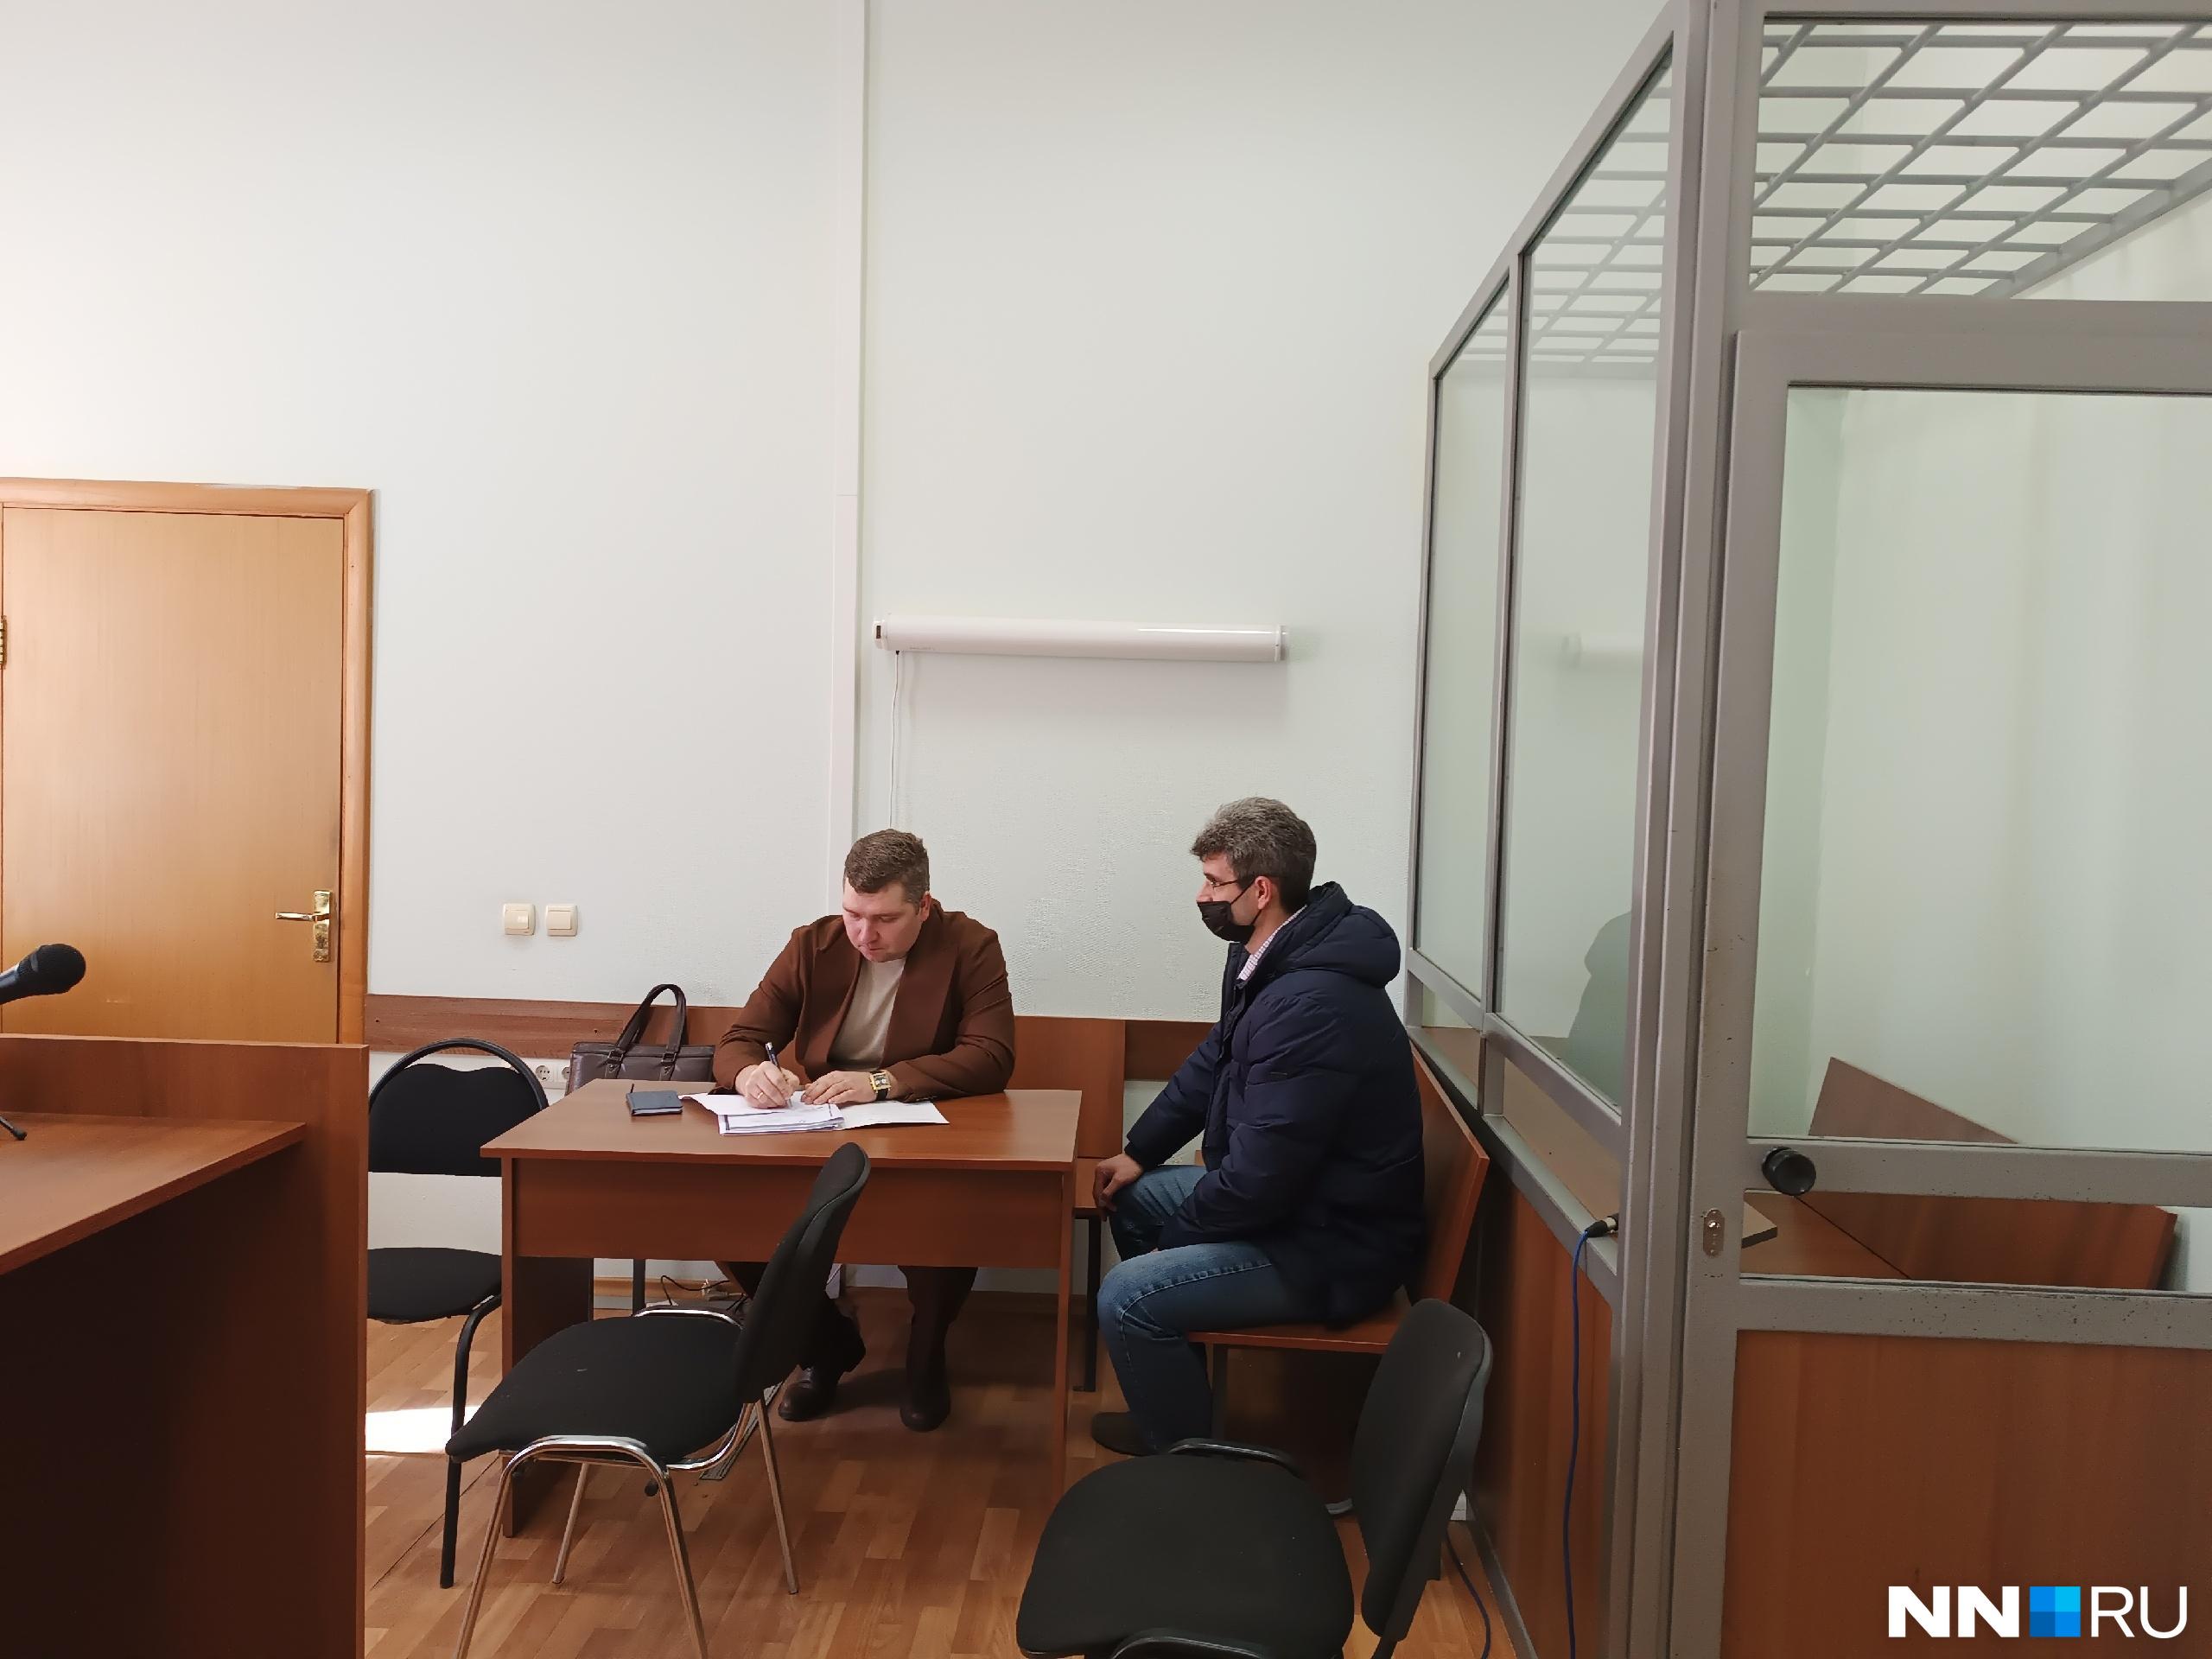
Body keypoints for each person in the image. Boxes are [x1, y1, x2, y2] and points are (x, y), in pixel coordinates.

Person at [1088, 798, 1424, 1456]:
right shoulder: (1273, 959)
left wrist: (1172, 1247)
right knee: (1132, 1195)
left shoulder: (1311, 1003)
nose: (1202, 897)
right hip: (1300, 1209)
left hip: (1331, 1245)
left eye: (1215, 883)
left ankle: (1190, 1459)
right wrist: (1139, 1151)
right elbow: (1215, 1060)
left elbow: (1261, 1177)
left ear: (1261, 890)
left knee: (1127, 1295)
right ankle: (1174, 1408)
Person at [713, 828, 1014, 1432]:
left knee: (944, 1222)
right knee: (733, 1218)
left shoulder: (971, 945)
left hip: (920, 1123)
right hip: (821, 1125)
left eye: (884, 919)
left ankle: (925, 1356)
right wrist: (750, 1075)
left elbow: (991, 1055)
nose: (863, 934)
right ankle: (825, 1347)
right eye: (853, 913)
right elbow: (739, 1039)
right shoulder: (813, 944)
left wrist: (882, 1081)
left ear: (924, 907)